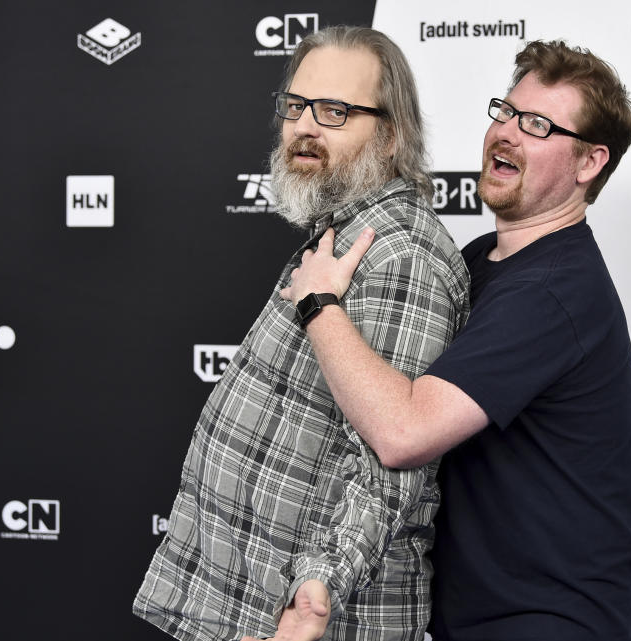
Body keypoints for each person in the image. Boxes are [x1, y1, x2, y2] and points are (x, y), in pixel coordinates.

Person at [281, 40, 631, 641]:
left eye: (537, 125)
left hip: (550, 623)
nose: (506, 133)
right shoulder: (482, 260)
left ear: (589, 164)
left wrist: (320, 302)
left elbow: (404, 433)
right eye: (505, 112)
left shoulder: (554, 291)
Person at [133, 26, 469, 641]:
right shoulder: (342, 233)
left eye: (336, 112)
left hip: (317, 621)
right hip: (258, 604)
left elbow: (389, 456)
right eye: (297, 106)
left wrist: (318, 587)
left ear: (391, 134)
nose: (305, 126)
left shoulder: (399, 257)